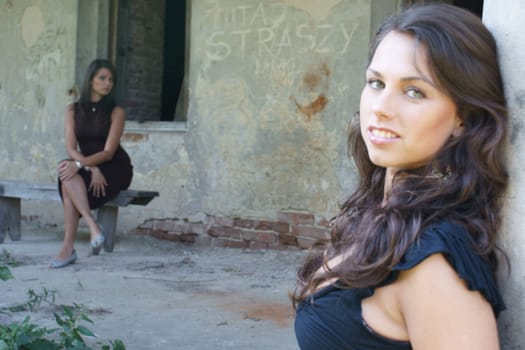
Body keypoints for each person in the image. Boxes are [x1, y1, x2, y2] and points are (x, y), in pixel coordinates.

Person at [292, 3, 508, 349]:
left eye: (414, 91)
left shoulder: (433, 261)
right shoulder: (378, 214)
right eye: (376, 83)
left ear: (462, 117)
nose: (381, 107)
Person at [50, 59, 133, 268]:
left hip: (114, 167)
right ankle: (91, 223)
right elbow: (71, 147)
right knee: (65, 171)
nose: (108, 83)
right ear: (90, 80)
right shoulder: (72, 110)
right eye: (102, 78)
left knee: (68, 174)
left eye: (111, 80)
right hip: (87, 164)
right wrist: (88, 166)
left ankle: (67, 248)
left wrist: (81, 165)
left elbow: (108, 151)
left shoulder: (116, 112)